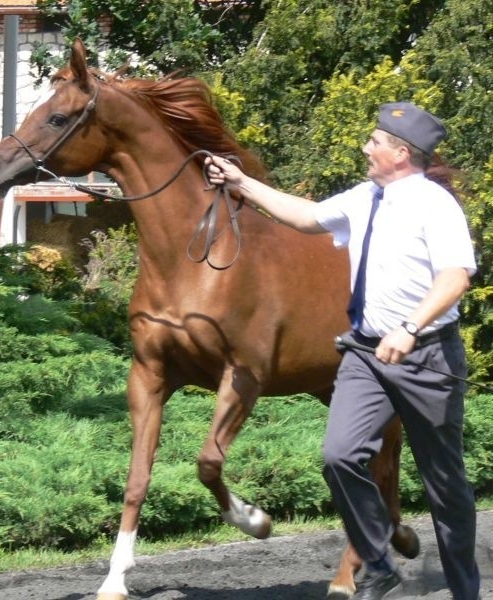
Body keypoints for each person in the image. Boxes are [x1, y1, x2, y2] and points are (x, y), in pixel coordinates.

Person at [206, 102, 480, 600]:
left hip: (426, 356)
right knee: (339, 456)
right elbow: (308, 217)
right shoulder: (365, 197)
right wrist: (240, 182)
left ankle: (465, 589)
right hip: (366, 355)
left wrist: (411, 328)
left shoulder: (435, 204)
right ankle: (377, 563)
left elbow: (456, 276)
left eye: (375, 141)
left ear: (401, 153)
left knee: (444, 485)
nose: (365, 147)